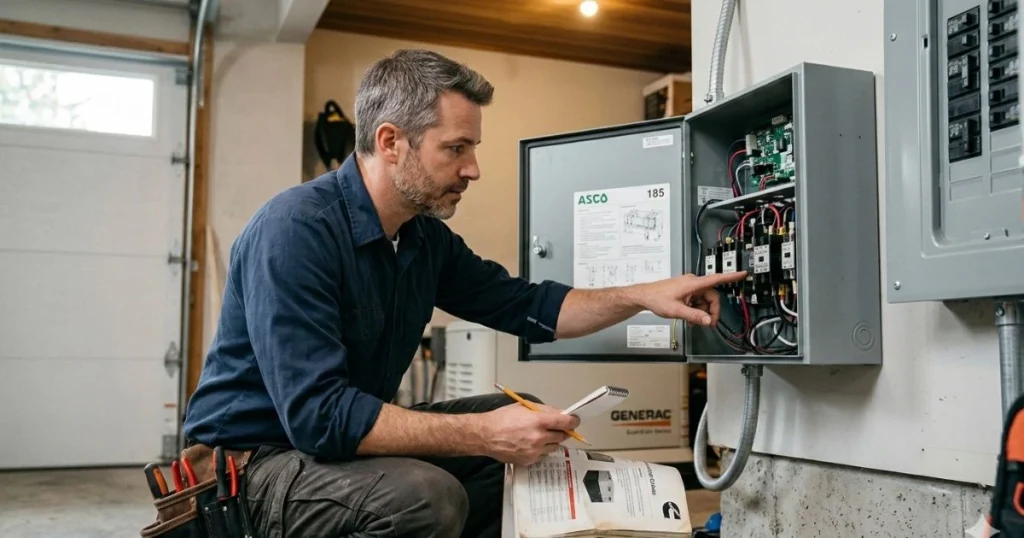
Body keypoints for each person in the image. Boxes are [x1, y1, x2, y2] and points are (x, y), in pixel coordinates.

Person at [182, 49, 747, 538]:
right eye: (456, 148)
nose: (473, 169)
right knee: (424, 495)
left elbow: (533, 307)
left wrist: (646, 294)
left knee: (513, 419)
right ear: (390, 142)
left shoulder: (422, 240)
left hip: (324, 448)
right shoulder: (296, 230)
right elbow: (319, 418)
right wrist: (480, 434)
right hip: (247, 468)